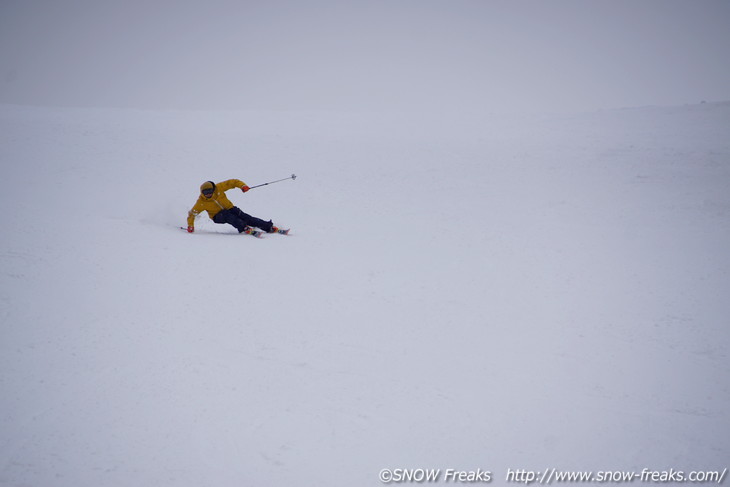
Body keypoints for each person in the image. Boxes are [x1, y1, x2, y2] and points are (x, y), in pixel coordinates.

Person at [186, 179, 280, 235]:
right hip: (217, 216)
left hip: (230, 208)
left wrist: (242, 186)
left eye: (210, 191)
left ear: (214, 189)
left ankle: (268, 227)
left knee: (246, 217)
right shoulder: (201, 202)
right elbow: (192, 214)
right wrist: (190, 225)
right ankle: (244, 228)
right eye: (205, 192)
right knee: (228, 216)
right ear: (202, 193)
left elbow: (232, 182)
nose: (208, 194)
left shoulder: (219, 188)